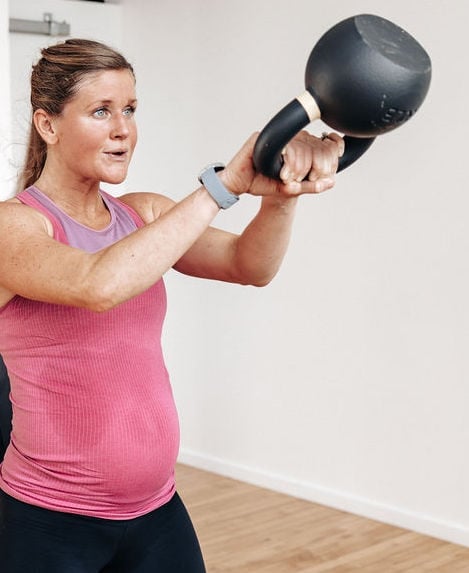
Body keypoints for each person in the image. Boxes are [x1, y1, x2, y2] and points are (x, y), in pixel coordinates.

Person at [0, 38, 343, 572]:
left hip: (156, 513)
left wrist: (280, 194)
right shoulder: (14, 226)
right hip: (51, 521)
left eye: (131, 110)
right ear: (48, 125)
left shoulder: (144, 215)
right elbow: (99, 284)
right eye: (101, 111)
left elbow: (248, 266)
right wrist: (223, 186)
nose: (123, 130)